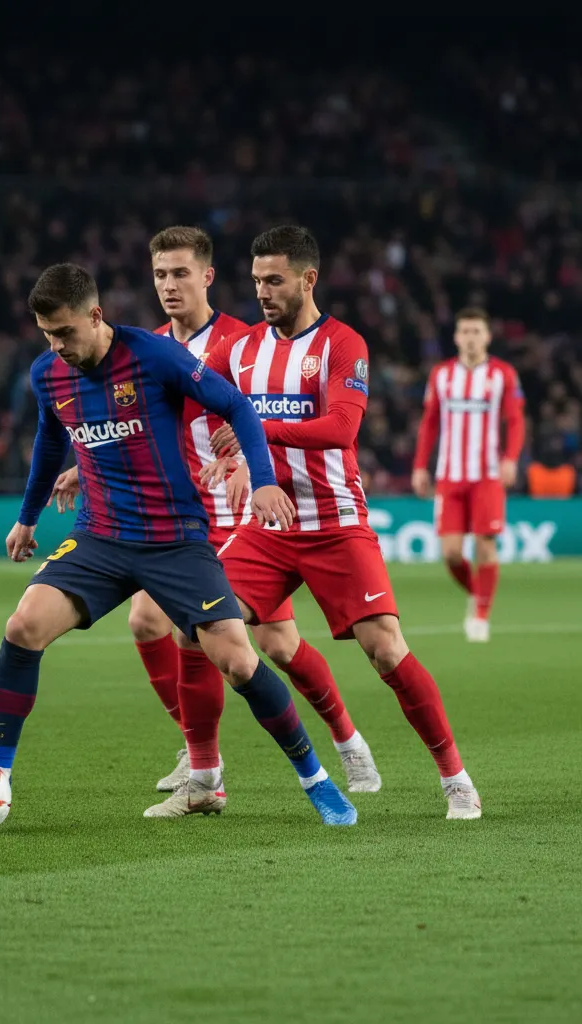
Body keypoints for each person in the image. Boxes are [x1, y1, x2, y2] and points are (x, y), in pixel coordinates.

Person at [0, 262, 357, 825]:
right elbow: (50, 442)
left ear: (95, 315)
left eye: (65, 332)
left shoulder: (153, 356)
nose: (57, 346)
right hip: (99, 537)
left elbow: (236, 406)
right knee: (23, 626)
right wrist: (27, 518)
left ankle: (315, 780)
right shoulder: (48, 373)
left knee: (237, 660)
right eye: (47, 334)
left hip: (174, 538)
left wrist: (263, 478)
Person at [49, 226, 380, 795]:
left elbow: (255, 411)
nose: (169, 285)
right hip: (178, 514)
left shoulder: (241, 340)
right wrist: (89, 461)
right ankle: (197, 750)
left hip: (237, 511)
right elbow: (133, 423)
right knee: (149, 620)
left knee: (276, 646)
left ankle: (346, 740)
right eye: (160, 274)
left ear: (207, 276)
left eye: (180, 273)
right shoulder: (146, 346)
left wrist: (253, 467)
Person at [203, 225, 481, 820]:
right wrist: (233, 460)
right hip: (267, 526)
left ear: (309, 279)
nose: (263, 292)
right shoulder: (240, 349)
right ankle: (329, 746)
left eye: (275, 280)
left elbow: (341, 428)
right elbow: (198, 406)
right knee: (208, 623)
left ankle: (455, 776)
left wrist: (256, 430)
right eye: (256, 281)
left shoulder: (342, 343)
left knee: (385, 650)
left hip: (334, 520)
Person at [412, 309, 525, 642]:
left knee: (485, 545)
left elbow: (515, 420)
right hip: (450, 474)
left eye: (477, 331)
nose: (471, 337)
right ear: (456, 337)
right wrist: (420, 466)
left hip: (487, 474)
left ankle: (480, 616)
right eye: (465, 331)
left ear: (487, 336)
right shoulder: (441, 375)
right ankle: (479, 594)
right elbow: (429, 423)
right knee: (450, 554)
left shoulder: (503, 374)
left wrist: (511, 459)